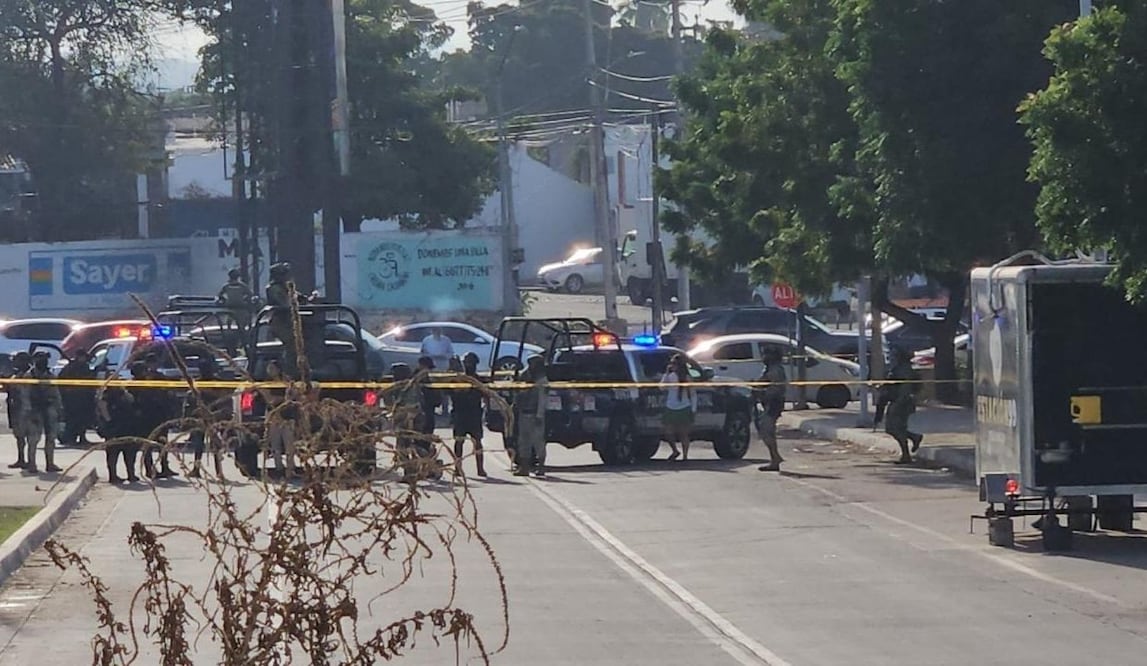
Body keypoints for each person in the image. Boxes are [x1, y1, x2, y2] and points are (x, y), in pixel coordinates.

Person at [133, 356, 177, 479]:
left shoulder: (159, 377)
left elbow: (167, 393)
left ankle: (165, 466)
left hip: (160, 414)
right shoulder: (138, 382)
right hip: (147, 416)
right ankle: (150, 468)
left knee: (162, 441)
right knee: (148, 443)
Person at [186, 359, 227, 479]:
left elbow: (222, 396)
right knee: (199, 444)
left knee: (214, 444)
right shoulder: (198, 382)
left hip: (213, 415)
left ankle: (218, 471)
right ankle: (197, 469)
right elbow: (192, 398)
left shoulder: (215, 382)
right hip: (201, 415)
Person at [882, 346, 924, 464]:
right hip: (898, 401)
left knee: (895, 428)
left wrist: (898, 403)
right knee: (893, 428)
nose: (892, 358)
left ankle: (906, 455)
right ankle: (914, 438)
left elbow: (905, 389)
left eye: (894, 355)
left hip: (901, 403)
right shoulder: (898, 368)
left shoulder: (904, 370)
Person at [22, 352, 63, 473]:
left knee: (51, 437)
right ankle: (32, 464)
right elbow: (24, 395)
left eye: (45, 358)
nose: (44, 361)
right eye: (41, 358)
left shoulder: (50, 375)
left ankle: (50, 463)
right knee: (33, 438)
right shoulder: (29, 376)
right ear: (35, 360)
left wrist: (59, 408)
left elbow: (56, 393)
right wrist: (28, 411)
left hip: (49, 408)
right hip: (34, 409)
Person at [96, 383, 140, 484]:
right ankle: (113, 476)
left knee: (130, 452)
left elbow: (132, 405)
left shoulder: (125, 395)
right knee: (113, 453)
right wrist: (109, 422)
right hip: (114, 428)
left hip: (126, 427)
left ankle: (131, 474)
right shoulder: (105, 396)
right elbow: (103, 409)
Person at [451, 352, 486, 478]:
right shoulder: (457, 379)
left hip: (474, 414)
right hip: (460, 414)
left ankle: (480, 468)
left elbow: (485, 395)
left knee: (477, 441)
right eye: (466, 362)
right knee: (459, 442)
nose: (468, 365)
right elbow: (450, 393)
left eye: (470, 362)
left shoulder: (479, 380)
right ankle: (458, 467)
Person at [513, 356, 549, 477]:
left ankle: (541, 467)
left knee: (538, 442)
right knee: (523, 442)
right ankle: (524, 468)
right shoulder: (526, 377)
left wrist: (540, 415)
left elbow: (542, 400)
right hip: (524, 413)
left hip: (535, 415)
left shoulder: (542, 381)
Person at [265, 360, 300, 479]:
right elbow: (269, 399)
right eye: (269, 368)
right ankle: (279, 468)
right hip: (274, 417)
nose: (270, 370)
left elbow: (293, 396)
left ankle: (290, 469)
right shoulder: (268, 383)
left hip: (288, 416)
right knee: (276, 445)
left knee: (289, 444)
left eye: (272, 368)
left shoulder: (287, 382)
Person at [755, 346, 787, 472]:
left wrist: (761, 392)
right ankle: (774, 457)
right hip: (768, 402)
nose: (763, 357)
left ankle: (775, 458)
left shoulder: (775, 370)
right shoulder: (769, 368)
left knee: (766, 430)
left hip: (774, 403)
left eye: (766, 354)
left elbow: (776, 389)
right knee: (766, 431)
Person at [660, 354, 696, 462]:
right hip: (671, 406)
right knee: (668, 432)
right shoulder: (670, 377)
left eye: (674, 364)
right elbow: (661, 387)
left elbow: (693, 394)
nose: (672, 366)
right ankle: (675, 450)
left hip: (684, 406)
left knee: (683, 433)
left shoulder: (687, 378)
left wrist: (693, 409)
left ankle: (685, 456)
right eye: (671, 364)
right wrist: (666, 374)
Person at [58, 350, 96, 447]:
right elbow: (61, 381)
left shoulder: (86, 367)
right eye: (82, 356)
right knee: (72, 419)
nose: (83, 359)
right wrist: (67, 392)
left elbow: (90, 380)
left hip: (84, 398)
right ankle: (71, 438)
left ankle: (82, 437)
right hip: (72, 399)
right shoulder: (70, 367)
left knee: (83, 419)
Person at [4, 352, 32, 469]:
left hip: (27, 409)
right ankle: (21, 459)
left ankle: (31, 461)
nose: (14, 362)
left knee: (31, 436)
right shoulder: (15, 374)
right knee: (19, 436)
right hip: (16, 408)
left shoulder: (30, 375)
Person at [420, 329, 454, 415]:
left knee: (444, 389)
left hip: (443, 367)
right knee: (431, 390)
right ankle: (432, 409)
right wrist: (431, 357)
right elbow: (423, 353)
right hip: (431, 369)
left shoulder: (446, 340)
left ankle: (445, 409)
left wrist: (443, 356)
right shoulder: (427, 340)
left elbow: (451, 353)